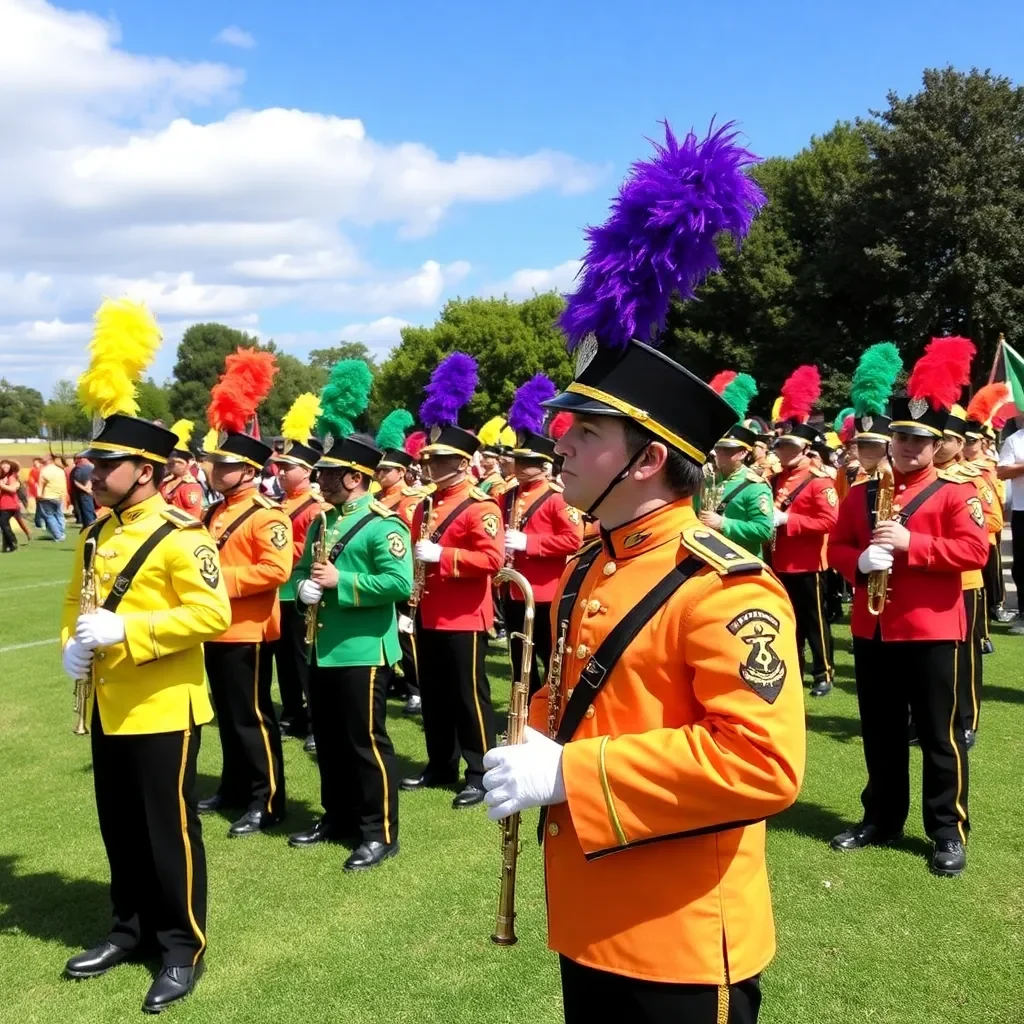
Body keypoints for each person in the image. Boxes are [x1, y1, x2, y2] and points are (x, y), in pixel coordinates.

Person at [481, 120, 805, 1024]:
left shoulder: (722, 584)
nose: (563, 450)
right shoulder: (598, 554)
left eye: (587, 436)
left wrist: (571, 777)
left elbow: (763, 764)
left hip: (679, 937)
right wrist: (529, 745)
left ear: (650, 459)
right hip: (592, 909)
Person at [59, 297, 231, 1014]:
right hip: (108, 702)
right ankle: (127, 929)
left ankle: (181, 944)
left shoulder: (184, 534)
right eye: (95, 464)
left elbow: (212, 613)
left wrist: (129, 633)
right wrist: (74, 643)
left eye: (107, 465)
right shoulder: (97, 533)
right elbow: (77, 602)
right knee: (120, 827)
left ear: (147, 470)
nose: (93, 476)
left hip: (164, 707)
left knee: (169, 833)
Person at [827, 337, 989, 877]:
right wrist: (863, 562)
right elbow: (836, 549)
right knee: (880, 731)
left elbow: (974, 550)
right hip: (873, 630)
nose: (906, 447)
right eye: (899, 437)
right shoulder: (860, 495)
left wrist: (909, 547)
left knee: (940, 736)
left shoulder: (953, 493)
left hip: (930, 630)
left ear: (938, 444)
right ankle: (882, 818)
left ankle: (947, 829)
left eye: (918, 439)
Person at [291, 435, 413, 869]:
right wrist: (303, 587)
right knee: (328, 741)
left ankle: (378, 832)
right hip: (322, 648)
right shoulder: (322, 522)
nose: (318, 480)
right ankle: (338, 816)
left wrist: (340, 583)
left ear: (353, 477)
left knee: (365, 744)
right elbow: (304, 571)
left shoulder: (384, 524)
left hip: (363, 651)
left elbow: (400, 583)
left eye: (326, 474)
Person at [401, 355, 504, 810]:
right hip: (428, 611)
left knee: (468, 698)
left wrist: (445, 554)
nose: (428, 466)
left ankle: (480, 771)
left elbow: (491, 558)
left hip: (464, 615)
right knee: (435, 695)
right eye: (428, 458)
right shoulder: (425, 505)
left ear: (461, 464)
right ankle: (439, 763)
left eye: (438, 460)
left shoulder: (481, 507)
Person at [198, 352, 292, 837]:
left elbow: (275, 569)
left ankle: (268, 799)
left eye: (225, 465)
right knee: (230, 718)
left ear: (249, 471)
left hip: (250, 630)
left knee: (252, 720)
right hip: (215, 628)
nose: (215, 471)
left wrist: (218, 582)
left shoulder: (264, 514)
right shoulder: (216, 512)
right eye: (215, 464)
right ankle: (235, 787)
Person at [932, 405, 1000, 750]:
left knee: (963, 657)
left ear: (960, 444)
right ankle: (926, 718)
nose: (940, 444)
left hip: (964, 579)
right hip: (927, 578)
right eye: (937, 437)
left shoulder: (972, 476)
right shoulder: (919, 475)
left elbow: (994, 522)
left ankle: (966, 720)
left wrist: (954, 528)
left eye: (948, 439)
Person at [501, 421, 584, 695]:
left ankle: (548, 707)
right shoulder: (507, 496)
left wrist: (530, 543)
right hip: (512, 589)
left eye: (528, 462)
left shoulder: (556, 499)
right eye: (518, 461)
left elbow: (574, 539)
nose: (520, 467)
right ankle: (522, 705)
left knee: (548, 655)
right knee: (517, 656)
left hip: (544, 591)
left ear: (545, 465)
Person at [268, 407, 329, 746]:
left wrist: (273, 552)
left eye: (287, 468)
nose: (280, 473)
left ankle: (312, 720)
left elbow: (311, 550)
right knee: (284, 661)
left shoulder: (315, 506)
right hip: (279, 591)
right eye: (279, 468)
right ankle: (292, 712)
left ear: (307, 472)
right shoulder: (281, 502)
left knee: (303, 660)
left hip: (299, 591)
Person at [770, 416, 839, 696]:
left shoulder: (819, 482)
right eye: (781, 446)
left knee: (814, 621)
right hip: (779, 560)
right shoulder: (776, 478)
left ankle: (824, 672)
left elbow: (829, 521)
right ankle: (794, 667)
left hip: (808, 562)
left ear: (804, 448)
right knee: (788, 620)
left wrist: (788, 519)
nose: (783, 451)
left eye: (790, 447)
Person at [374, 445, 427, 714]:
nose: (379, 473)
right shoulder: (376, 498)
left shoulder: (410, 500)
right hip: (379, 574)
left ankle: (417, 687)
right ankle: (394, 679)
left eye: (386, 470)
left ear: (401, 472)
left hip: (403, 573)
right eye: (379, 468)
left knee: (407, 634)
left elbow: (411, 540)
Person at [694, 421, 774, 558]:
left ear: (743, 453)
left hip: (739, 559)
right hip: (703, 553)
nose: (720, 453)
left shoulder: (755, 486)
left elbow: (764, 530)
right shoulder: (706, 478)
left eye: (728, 449)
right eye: (718, 448)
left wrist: (723, 523)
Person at [997, 416, 1024, 632]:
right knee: (1022, 564)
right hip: (1022, 510)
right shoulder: (1015, 440)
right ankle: (1023, 614)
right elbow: (1002, 471)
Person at [160, 421, 204, 518]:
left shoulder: (191, 488)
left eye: (177, 462)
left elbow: (193, 519)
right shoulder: (165, 481)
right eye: (170, 461)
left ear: (191, 461)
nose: (172, 464)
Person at [37, 451, 68, 540]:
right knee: (59, 515)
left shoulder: (45, 471)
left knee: (49, 516)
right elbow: (63, 485)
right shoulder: (60, 470)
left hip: (47, 497)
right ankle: (61, 531)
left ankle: (58, 535)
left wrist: (39, 496)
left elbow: (41, 485)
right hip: (58, 497)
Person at [0, 458, 23, 551]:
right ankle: (7, 546)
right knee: (3, 524)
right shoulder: (2, 477)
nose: (5, 467)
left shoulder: (12, 477)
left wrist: (2, 485)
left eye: (7, 465)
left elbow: (13, 489)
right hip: (2, 504)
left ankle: (13, 541)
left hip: (10, 504)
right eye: (3, 465)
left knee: (3, 523)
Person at [70, 456, 97, 527]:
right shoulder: (91, 467)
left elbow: (75, 481)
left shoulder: (78, 469)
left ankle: (90, 527)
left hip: (84, 494)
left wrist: (86, 489)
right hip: (88, 493)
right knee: (89, 511)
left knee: (87, 512)